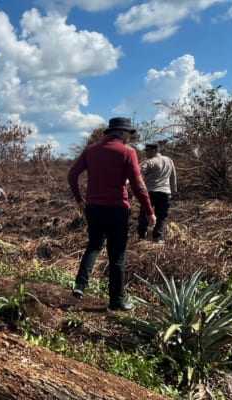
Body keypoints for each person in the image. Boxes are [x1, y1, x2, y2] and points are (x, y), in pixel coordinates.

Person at [68, 117, 156, 311]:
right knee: (117, 255)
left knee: (94, 246)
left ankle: (80, 285)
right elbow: (138, 185)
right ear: (123, 133)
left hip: (94, 208)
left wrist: (79, 200)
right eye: (128, 134)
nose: (129, 138)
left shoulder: (91, 150)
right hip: (117, 209)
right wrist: (149, 211)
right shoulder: (127, 152)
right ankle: (116, 300)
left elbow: (72, 175)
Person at [138, 143, 177, 243]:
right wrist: (174, 191)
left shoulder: (149, 162)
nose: (145, 152)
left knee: (145, 214)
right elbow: (173, 176)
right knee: (162, 216)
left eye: (147, 150)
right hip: (165, 192)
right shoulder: (169, 160)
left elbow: (137, 173)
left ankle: (142, 236)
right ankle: (157, 237)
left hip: (150, 192)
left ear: (154, 150)